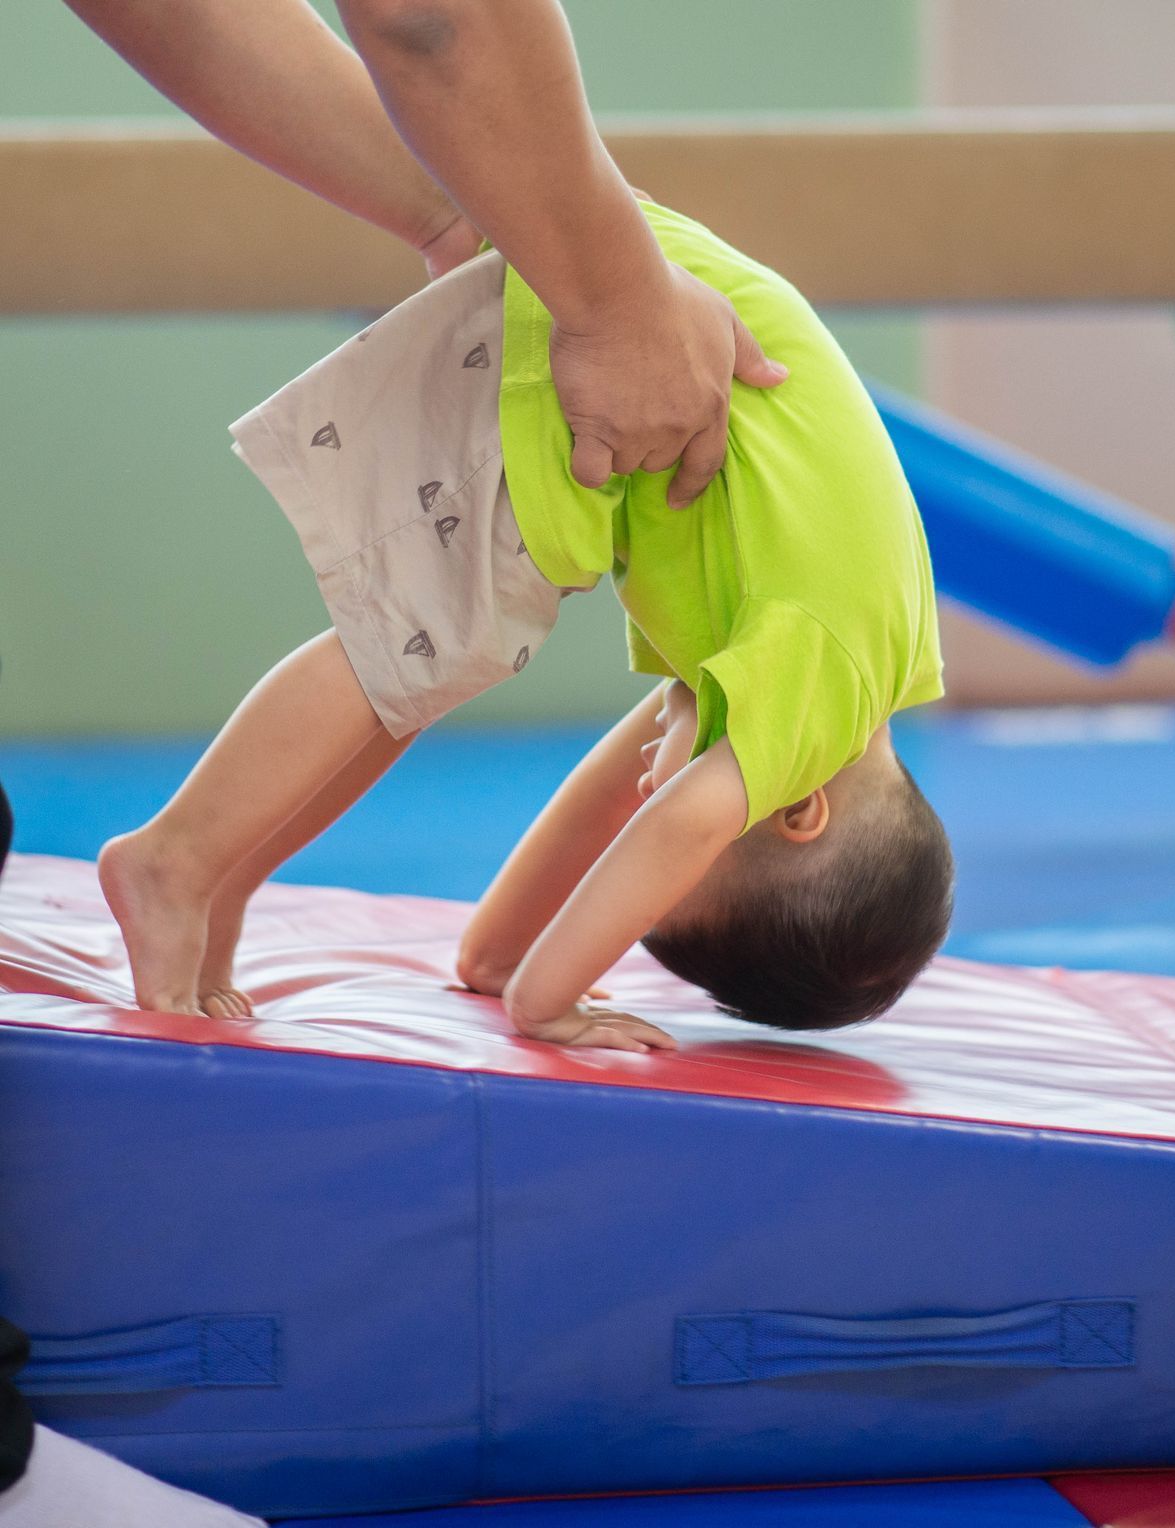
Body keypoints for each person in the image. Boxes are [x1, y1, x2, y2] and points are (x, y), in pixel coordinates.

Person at [6, 1, 786, 1520]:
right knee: (436, 630)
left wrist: (474, 213)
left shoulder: (864, 663)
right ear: (809, 807)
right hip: (602, 286)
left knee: (450, 636)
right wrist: (605, 291)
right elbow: (430, 13)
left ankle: (195, 872)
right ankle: (172, 859)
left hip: (571, 250)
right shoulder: (823, 705)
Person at [99, 194, 954, 1047]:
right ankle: (172, 861)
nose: (652, 798)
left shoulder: (837, 667)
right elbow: (676, 825)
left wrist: (505, 957)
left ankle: (227, 873)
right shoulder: (818, 686)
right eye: (677, 835)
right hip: (629, 329)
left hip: (639, 302)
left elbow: (614, 795)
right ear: (800, 809)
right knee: (418, 642)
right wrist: (546, 1004)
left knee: (430, 654)